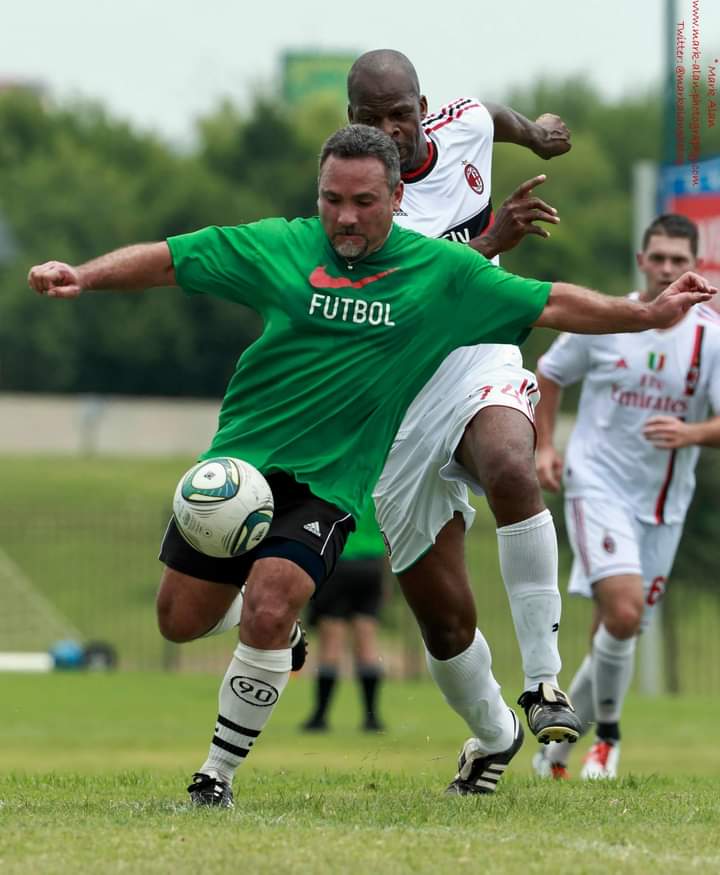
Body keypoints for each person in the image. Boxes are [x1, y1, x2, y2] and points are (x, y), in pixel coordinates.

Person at [28, 128, 713, 806]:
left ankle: (215, 778)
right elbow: (176, 259)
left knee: (273, 601)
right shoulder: (282, 246)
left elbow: (552, 300)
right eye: (331, 199)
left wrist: (645, 313)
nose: (345, 216)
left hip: (330, 483)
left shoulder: (439, 273)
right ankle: (281, 639)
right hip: (239, 469)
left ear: (396, 196)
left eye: (362, 201)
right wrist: (82, 276)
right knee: (177, 620)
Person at [345, 49, 580, 785]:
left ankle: (544, 680)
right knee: (444, 625)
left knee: (513, 463)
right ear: (350, 121)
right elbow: (409, 299)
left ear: (423, 105)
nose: (391, 131)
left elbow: (495, 119)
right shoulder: (352, 202)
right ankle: (496, 735)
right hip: (400, 395)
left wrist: (538, 134)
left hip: (477, 356)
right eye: (371, 119)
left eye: (401, 114)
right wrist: (489, 243)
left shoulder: (465, 123)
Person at [533, 214, 720, 780]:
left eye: (677, 259)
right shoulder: (607, 320)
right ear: (641, 260)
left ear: (695, 266)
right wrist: (544, 446)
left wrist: (690, 433)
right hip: (597, 485)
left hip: (663, 503)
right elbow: (548, 372)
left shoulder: (708, 337)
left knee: (619, 626)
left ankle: (555, 753)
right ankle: (607, 742)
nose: (666, 268)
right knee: (622, 611)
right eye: (657, 257)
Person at [301, 502, 388, 733]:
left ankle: (319, 717)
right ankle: (371, 718)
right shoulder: (375, 483)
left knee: (331, 642)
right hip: (372, 565)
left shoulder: (340, 480)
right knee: (367, 641)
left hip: (338, 562)